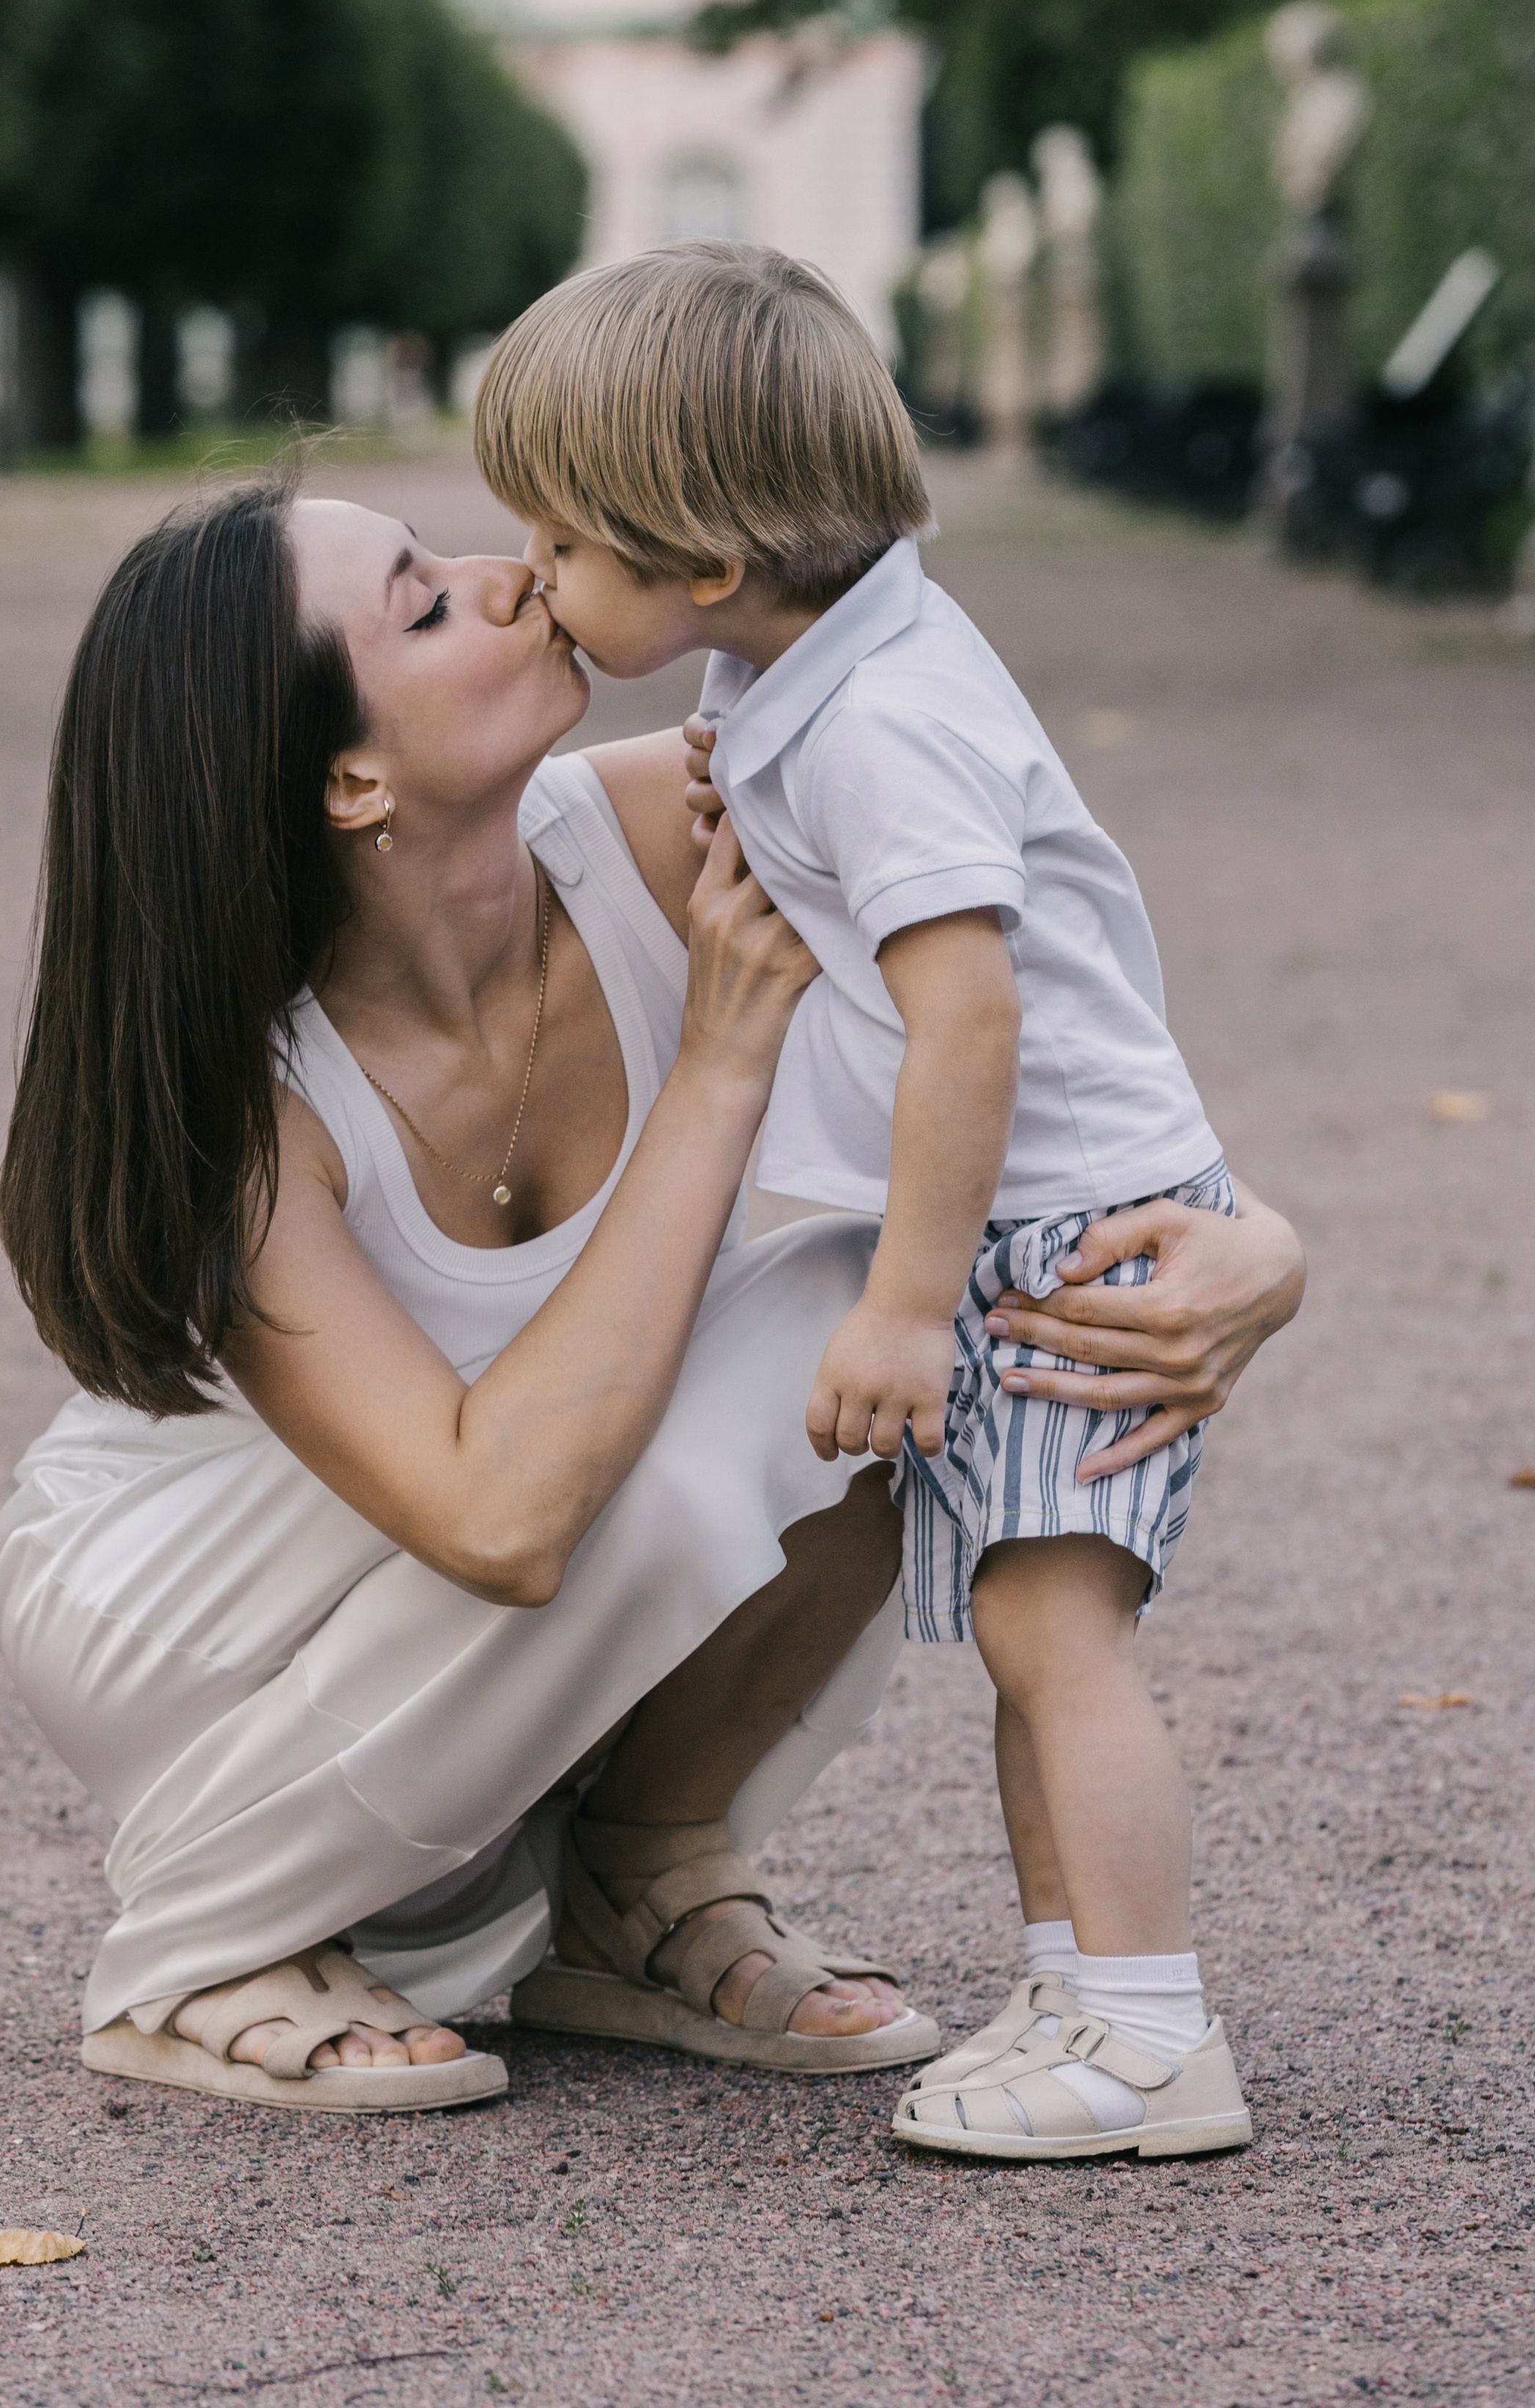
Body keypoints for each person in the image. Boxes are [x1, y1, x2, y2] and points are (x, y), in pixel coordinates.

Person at [0, 463, 1304, 2119]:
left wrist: (1252, 1236)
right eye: (421, 597)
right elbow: (501, 1517)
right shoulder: (246, 1119)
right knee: (784, 1342)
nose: (506, 573)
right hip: (194, 1591)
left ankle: (636, 1872)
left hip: (503, 1520)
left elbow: (1027, 1032)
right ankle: (204, 1939)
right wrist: (717, 1066)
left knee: (886, 1302)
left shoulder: (664, 822)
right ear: (345, 777)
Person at [479, 240, 1304, 2162]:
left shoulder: (877, 727)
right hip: (1048, 1229)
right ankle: (1084, 1990)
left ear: (698, 562)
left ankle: (1153, 2032)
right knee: (1031, 1640)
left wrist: (910, 1302)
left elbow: (968, 1025)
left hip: (1055, 1245)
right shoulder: (816, 664)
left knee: (1054, 1642)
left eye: (559, 538)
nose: (529, 572)